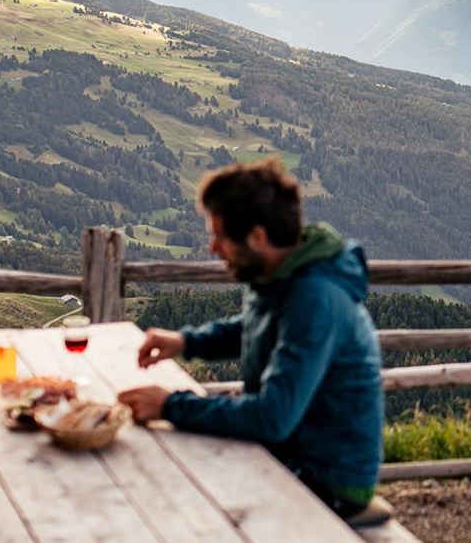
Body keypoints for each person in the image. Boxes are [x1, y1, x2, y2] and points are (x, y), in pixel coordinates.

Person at [117, 157, 388, 525]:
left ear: (258, 236)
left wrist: (169, 406)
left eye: (220, 235)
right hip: (295, 450)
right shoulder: (283, 273)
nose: (213, 247)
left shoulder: (315, 297)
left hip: (327, 477)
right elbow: (252, 328)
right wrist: (184, 342)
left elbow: (272, 417)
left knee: (175, 500)